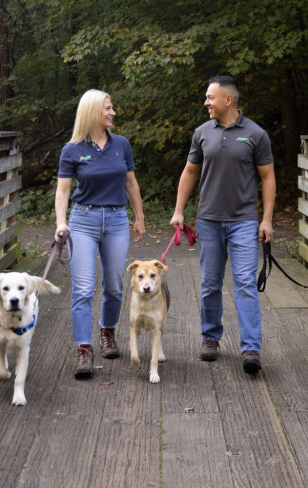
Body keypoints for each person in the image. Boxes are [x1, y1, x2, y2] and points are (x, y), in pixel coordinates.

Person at [170, 75, 276, 374]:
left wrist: (266, 219)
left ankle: (251, 348)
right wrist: (179, 211)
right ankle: (210, 338)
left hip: (243, 221)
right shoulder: (202, 133)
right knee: (210, 283)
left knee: (245, 283)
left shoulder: (256, 134)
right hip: (208, 220)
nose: (206, 102)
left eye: (210, 97)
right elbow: (190, 172)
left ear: (228, 100)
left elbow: (268, 178)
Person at [55, 89, 145, 379]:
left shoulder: (121, 145)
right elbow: (63, 190)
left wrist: (139, 217)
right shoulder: (72, 150)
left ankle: (107, 331)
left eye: (112, 107)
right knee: (82, 289)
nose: (112, 112)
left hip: (117, 221)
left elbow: (130, 183)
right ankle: (83, 349)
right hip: (83, 221)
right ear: (94, 111)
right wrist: (60, 222)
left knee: (115, 286)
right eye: (108, 108)